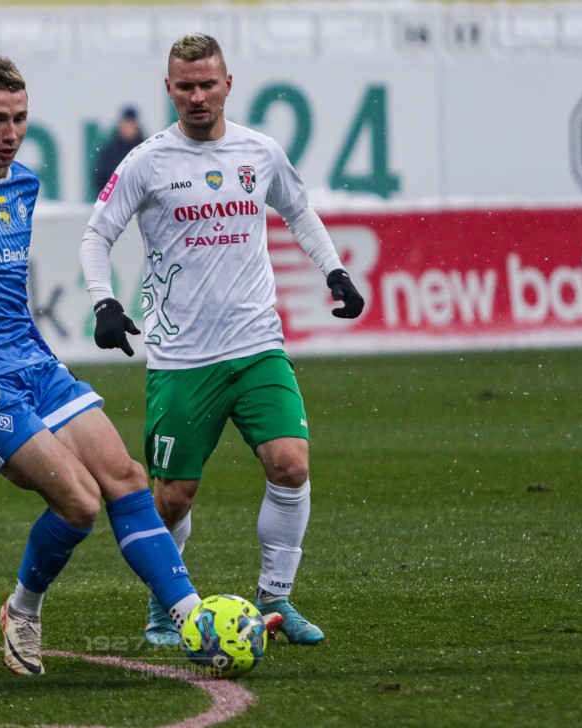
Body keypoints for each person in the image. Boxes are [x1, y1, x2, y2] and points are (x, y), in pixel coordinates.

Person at [0, 56, 203, 675]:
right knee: (79, 502)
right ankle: (22, 610)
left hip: (32, 362)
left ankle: (193, 617)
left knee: (127, 477)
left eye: (20, 118)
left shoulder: (24, 184)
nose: (11, 132)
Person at [79, 34, 365, 646]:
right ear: (169, 89)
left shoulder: (260, 151)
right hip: (182, 358)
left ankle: (276, 599)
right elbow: (97, 234)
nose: (197, 96)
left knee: (290, 463)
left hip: (257, 345)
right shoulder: (148, 161)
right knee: (174, 497)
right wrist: (104, 301)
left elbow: (299, 211)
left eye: (207, 84)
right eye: (185, 86)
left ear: (228, 84)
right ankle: (167, 604)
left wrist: (335, 271)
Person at [93, 106, 145, 194]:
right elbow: (99, 178)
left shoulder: (146, 149)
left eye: (131, 124)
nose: (128, 128)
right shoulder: (109, 152)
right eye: (126, 124)